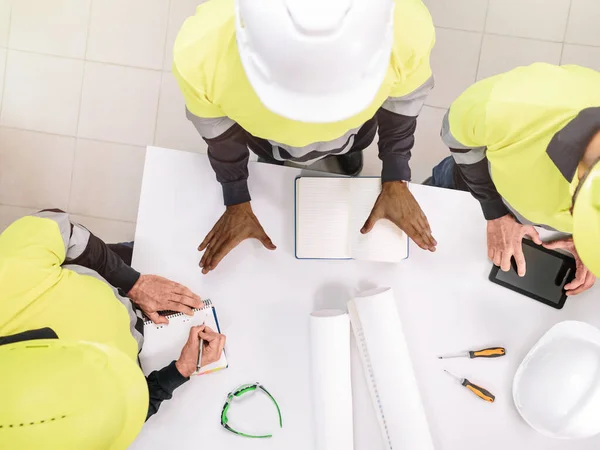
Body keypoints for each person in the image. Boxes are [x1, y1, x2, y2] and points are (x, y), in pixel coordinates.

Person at [173, 0, 439, 274]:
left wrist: (396, 176)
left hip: (354, 133)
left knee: (350, 144)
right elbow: (219, 131)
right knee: (272, 153)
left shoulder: (406, 25)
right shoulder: (202, 51)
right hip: (269, 142)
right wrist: (236, 195)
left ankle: (345, 149)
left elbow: (402, 102)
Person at [0, 210, 226, 449]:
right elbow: (127, 411)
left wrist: (133, 282)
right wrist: (180, 371)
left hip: (120, 273)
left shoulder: (8, 279)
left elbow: (58, 227)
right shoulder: (59, 435)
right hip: (155, 344)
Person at [426, 63, 600, 295]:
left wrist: (587, 241)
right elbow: (456, 134)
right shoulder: (513, 104)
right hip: (470, 187)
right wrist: (495, 211)